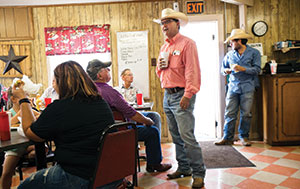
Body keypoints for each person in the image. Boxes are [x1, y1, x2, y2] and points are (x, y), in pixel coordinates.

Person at [13, 61, 120, 188]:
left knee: (24, 186)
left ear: (60, 83)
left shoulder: (59, 107)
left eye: (54, 81)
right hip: (111, 173)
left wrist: (23, 100)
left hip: (81, 176)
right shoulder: (100, 103)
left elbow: (32, 133)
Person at [86, 59, 172, 173]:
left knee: (153, 115)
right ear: (100, 75)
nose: (108, 70)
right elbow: (131, 113)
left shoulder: (87, 89)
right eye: (106, 69)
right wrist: (147, 122)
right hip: (119, 129)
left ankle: (153, 152)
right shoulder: (109, 91)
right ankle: (154, 163)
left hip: (101, 128)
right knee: (153, 131)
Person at [155, 8, 205, 188]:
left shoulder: (187, 43)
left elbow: (192, 71)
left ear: (177, 23)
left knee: (187, 137)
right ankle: (184, 167)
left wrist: (188, 94)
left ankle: (199, 173)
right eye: (162, 23)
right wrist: (160, 68)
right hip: (167, 95)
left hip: (181, 95)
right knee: (176, 136)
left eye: (167, 22)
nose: (164, 26)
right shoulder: (165, 46)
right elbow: (160, 72)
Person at [214, 29, 261, 147]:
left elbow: (257, 70)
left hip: (248, 87)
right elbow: (222, 70)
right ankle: (227, 137)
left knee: (246, 114)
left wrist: (242, 69)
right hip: (233, 87)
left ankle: (244, 137)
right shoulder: (229, 55)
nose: (230, 44)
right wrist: (226, 71)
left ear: (239, 41)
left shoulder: (254, 53)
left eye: (232, 41)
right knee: (229, 113)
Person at [0, 87, 37, 189]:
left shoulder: (29, 110)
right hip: (15, 147)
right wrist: (19, 114)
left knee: (42, 149)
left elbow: (39, 116)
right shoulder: (10, 112)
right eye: (23, 96)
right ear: (13, 99)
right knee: (7, 172)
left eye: (27, 95)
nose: (27, 98)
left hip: (28, 142)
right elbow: (8, 122)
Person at [117, 68, 162, 133]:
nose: (132, 77)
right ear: (123, 77)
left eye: (132, 75)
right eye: (129, 75)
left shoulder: (136, 89)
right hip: (125, 114)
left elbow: (141, 104)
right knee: (131, 118)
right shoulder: (117, 90)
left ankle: (156, 139)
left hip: (137, 113)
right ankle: (133, 140)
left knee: (155, 115)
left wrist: (142, 118)